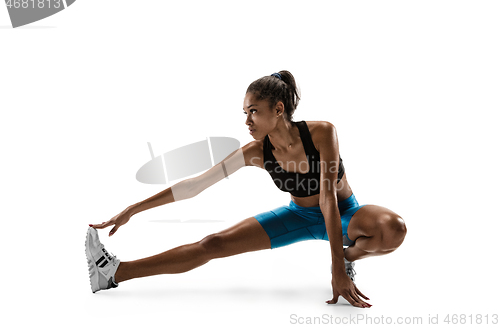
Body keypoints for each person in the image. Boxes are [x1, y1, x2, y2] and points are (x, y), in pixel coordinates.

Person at [86, 71, 407, 308]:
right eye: (245, 113)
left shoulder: (322, 133)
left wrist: (338, 265)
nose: (247, 121)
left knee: (392, 229)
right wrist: (132, 209)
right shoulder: (255, 152)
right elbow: (196, 185)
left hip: (343, 213)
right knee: (211, 244)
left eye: (253, 111)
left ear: (278, 110)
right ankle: (113, 273)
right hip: (298, 217)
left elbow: (327, 198)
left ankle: (350, 256)